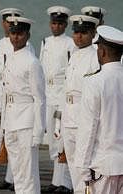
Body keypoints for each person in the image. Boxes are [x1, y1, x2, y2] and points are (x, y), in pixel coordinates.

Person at [74, 25, 123, 194]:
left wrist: (83, 169)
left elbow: (88, 129)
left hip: (103, 166)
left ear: (101, 52)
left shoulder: (95, 82)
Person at [0, 16, 46, 194]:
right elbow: (6, 94)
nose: (16, 37)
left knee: (28, 174)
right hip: (11, 121)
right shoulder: (10, 58)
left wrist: (38, 132)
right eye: (13, 33)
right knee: (18, 173)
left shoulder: (32, 62)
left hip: (26, 122)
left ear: (27, 35)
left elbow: (40, 99)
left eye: (20, 34)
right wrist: (2, 125)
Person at [62, 15, 100, 194]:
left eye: (83, 32)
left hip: (84, 119)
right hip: (69, 118)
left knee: (86, 168)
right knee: (74, 168)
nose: (78, 36)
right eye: (76, 32)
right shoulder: (73, 56)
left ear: (93, 33)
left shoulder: (95, 57)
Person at [39, 5, 74, 194]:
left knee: (61, 138)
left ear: (65, 24)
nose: (57, 26)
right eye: (54, 23)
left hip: (62, 92)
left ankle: (65, 182)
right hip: (48, 92)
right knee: (52, 139)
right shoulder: (45, 42)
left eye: (60, 23)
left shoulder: (70, 43)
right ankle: (56, 180)